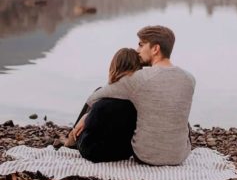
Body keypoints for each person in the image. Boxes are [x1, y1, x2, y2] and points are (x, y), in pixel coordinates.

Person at [77, 25, 196, 166]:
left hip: (145, 156)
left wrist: (86, 116)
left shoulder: (139, 78)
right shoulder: (190, 79)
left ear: (155, 49)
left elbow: (96, 97)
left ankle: (72, 139)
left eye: (141, 45)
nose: (138, 51)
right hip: (180, 156)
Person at [59, 48, 142, 162]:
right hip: (123, 152)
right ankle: (72, 135)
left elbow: (90, 124)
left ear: (114, 66)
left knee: (98, 94)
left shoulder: (101, 101)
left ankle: (71, 137)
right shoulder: (139, 100)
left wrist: (87, 116)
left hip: (94, 152)